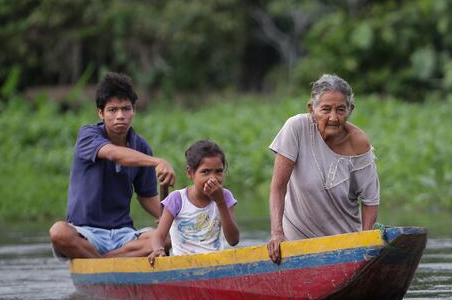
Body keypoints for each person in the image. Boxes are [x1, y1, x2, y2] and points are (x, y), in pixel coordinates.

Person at [49, 72, 176, 259]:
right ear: (101, 113)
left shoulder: (140, 147)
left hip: (123, 235)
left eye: (126, 109)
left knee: (171, 236)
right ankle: (110, 262)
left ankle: (103, 262)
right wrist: (157, 161)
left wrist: (169, 218)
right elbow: (114, 154)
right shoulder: (88, 135)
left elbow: (147, 196)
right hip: (86, 233)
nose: (120, 116)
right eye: (112, 110)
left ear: (134, 110)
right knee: (58, 232)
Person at [267, 74, 380, 264]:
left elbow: (370, 200)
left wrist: (365, 241)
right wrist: (277, 233)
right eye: (326, 109)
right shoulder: (296, 128)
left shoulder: (359, 143)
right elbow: (278, 186)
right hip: (297, 244)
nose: (333, 118)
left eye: (340, 110)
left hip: (344, 246)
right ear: (312, 109)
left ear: (350, 110)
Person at [148, 140, 240, 265]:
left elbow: (233, 240)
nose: (213, 178)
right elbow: (159, 236)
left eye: (218, 171)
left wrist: (220, 202)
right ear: (190, 173)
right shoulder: (177, 199)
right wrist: (158, 250)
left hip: (216, 265)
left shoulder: (225, 196)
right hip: (183, 266)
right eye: (205, 172)